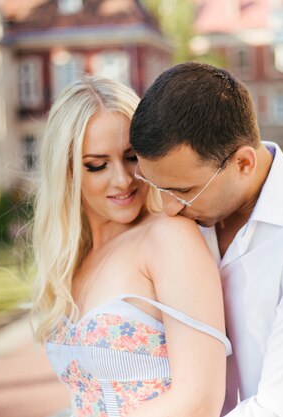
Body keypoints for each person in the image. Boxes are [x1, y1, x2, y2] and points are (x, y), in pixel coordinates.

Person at [130, 62, 283, 417]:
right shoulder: (183, 222)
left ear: (244, 163)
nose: (168, 207)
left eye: (182, 190)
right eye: (157, 186)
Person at [30, 77, 231, 417]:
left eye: (131, 157)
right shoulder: (73, 259)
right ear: (65, 171)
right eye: (97, 165)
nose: (123, 180)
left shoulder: (169, 237)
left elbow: (199, 400)